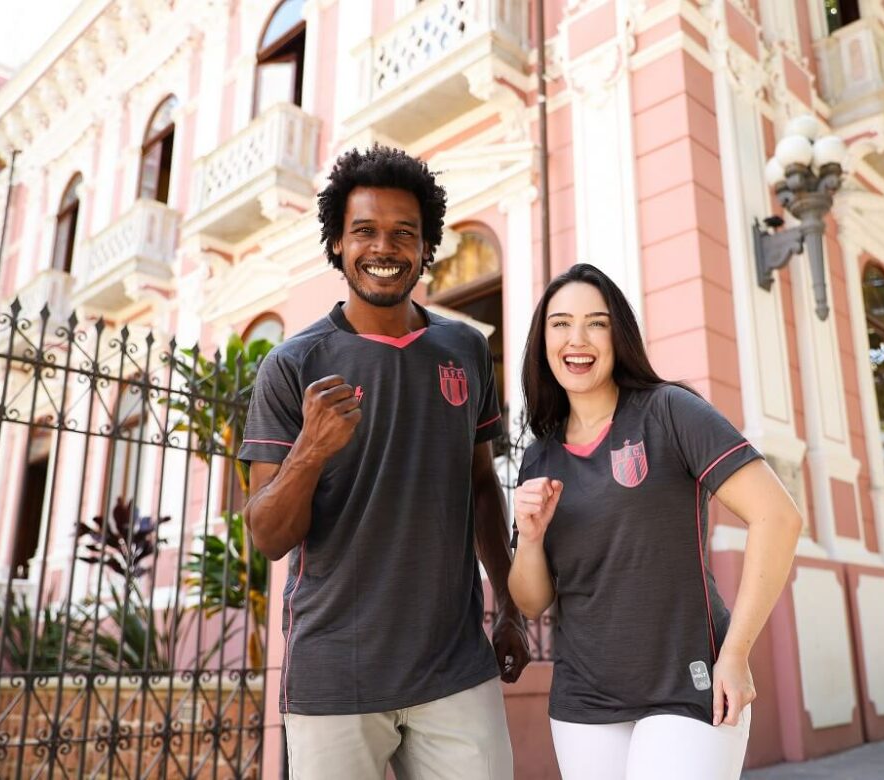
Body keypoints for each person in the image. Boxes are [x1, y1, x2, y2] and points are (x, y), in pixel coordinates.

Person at [240, 145, 530, 780]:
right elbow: (267, 535)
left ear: (427, 248)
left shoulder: (466, 349)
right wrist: (311, 450)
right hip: (336, 672)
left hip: (454, 663)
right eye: (364, 231)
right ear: (337, 245)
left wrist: (508, 604)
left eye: (405, 233)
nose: (385, 247)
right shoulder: (292, 366)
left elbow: (482, 488)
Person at [508, 263, 802, 780]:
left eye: (596, 323)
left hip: (688, 685)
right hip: (584, 700)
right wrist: (529, 540)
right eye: (560, 323)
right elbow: (533, 601)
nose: (577, 339)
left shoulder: (668, 411)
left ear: (618, 335)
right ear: (542, 339)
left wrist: (735, 653)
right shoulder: (539, 458)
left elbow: (778, 517)